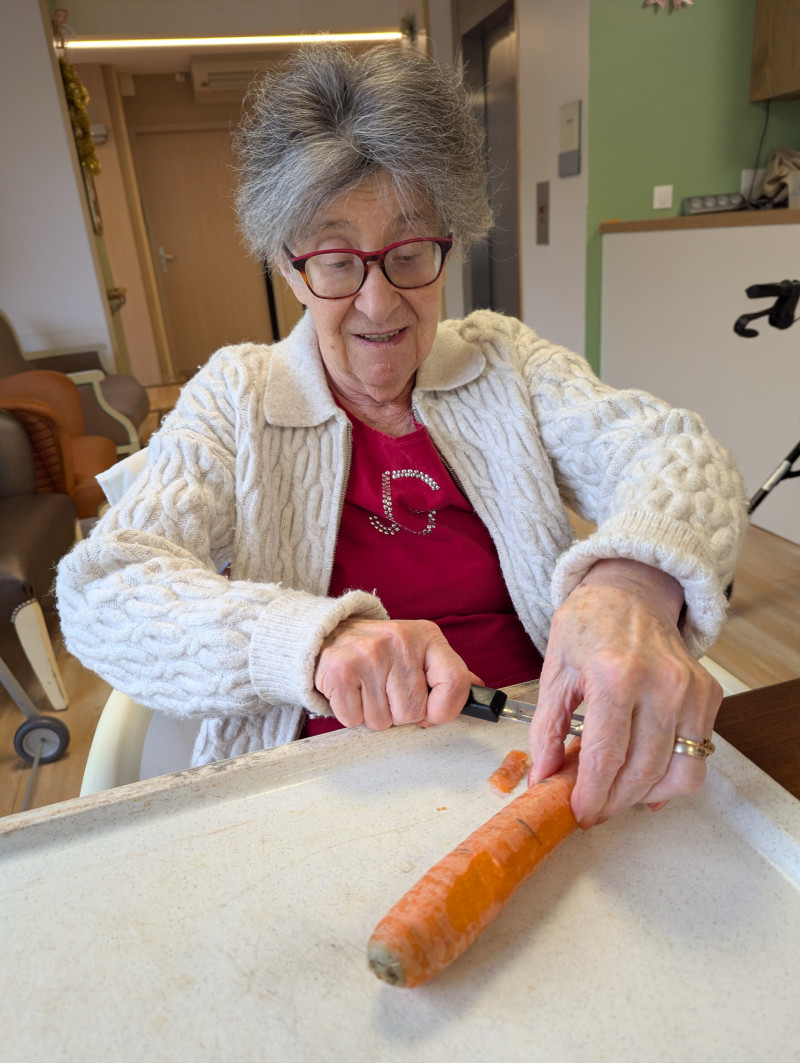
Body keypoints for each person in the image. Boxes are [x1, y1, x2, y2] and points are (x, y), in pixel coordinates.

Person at [56, 44, 748, 829]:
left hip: (542, 757)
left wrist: (627, 586)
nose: (380, 304)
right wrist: (311, 641)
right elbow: (105, 589)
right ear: (289, 267)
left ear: (447, 246)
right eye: (337, 260)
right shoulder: (237, 394)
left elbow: (676, 453)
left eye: (409, 252)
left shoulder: (505, 363)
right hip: (326, 784)